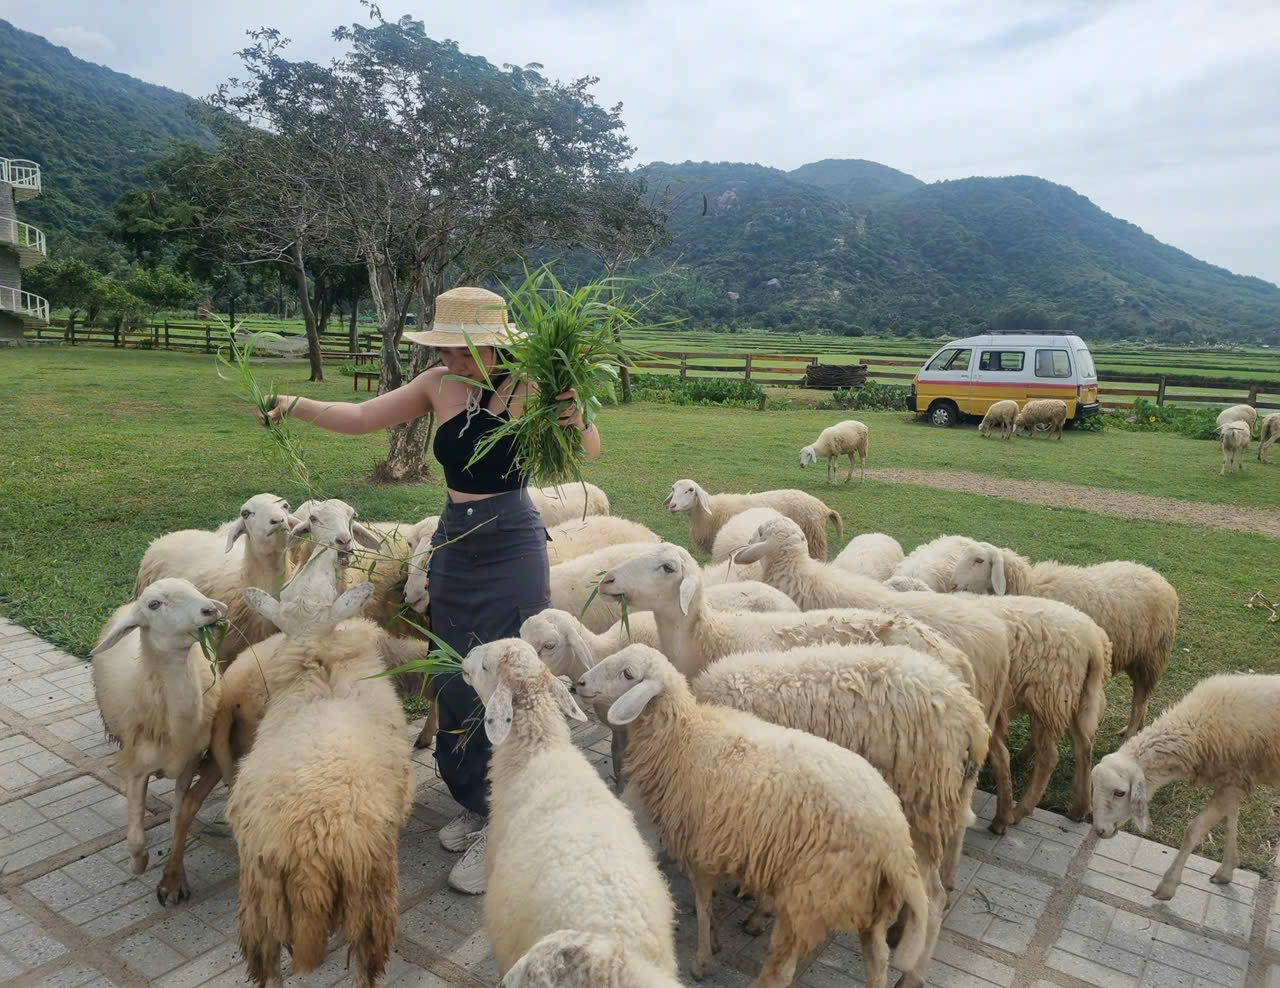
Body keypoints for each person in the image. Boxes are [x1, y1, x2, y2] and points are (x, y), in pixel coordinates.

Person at [258, 286, 601, 894]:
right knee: (455, 673)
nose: (452, 361)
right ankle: (475, 799)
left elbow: (586, 451)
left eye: (463, 351)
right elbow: (362, 417)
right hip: (454, 538)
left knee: (511, 676)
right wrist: (296, 403)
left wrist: (578, 421)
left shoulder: (539, 386)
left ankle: (510, 820)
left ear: (494, 345)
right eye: (444, 349)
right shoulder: (437, 384)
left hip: (511, 541)